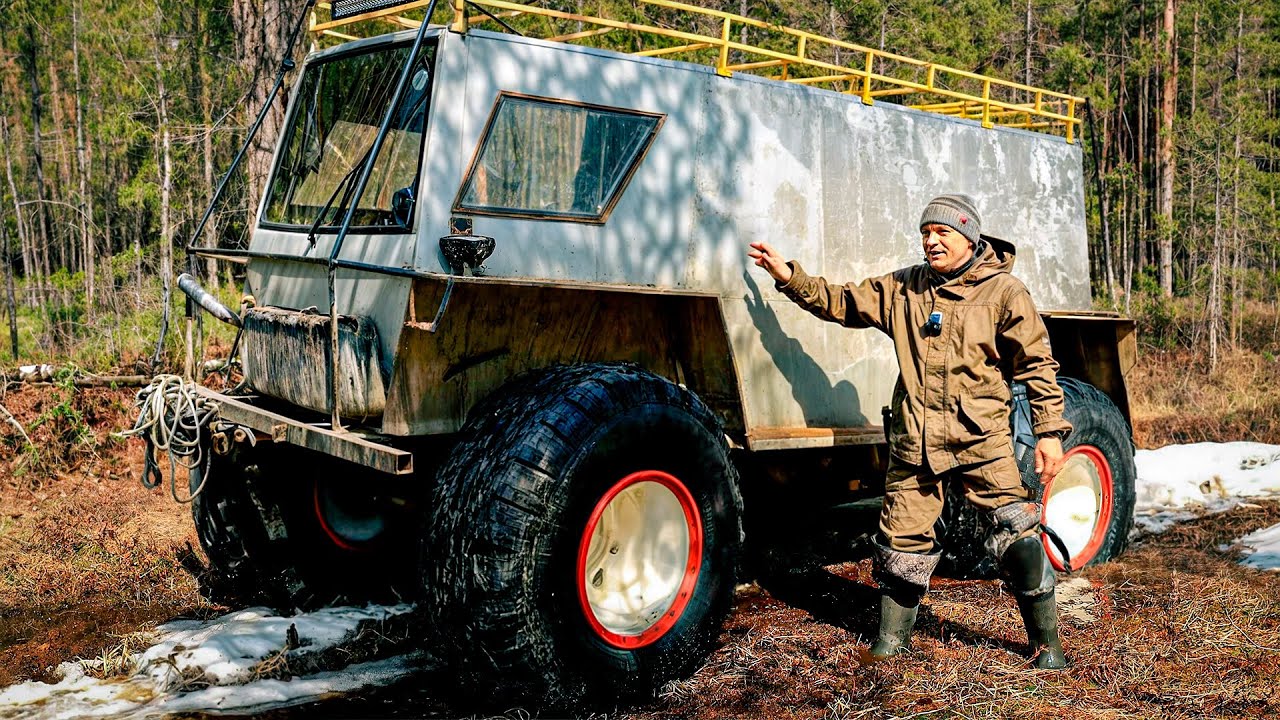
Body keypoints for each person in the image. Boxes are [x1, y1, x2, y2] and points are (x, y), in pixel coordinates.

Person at [748, 194, 1072, 669]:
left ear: (969, 235)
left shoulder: (1005, 293)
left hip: (981, 440)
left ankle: (1048, 647)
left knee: (1017, 537)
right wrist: (789, 277)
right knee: (900, 542)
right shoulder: (904, 288)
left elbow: (1037, 364)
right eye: (925, 233)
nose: (931, 240)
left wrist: (1048, 431)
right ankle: (892, 642)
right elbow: (841, 301)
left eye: (942, 232)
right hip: (915, 441)